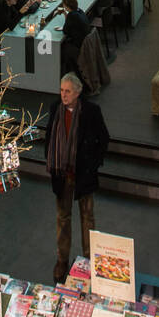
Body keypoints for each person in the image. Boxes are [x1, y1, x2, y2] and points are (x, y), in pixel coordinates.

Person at [45, 73, 110, 282]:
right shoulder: (55, 109)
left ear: (77, 92)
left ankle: (89, 259)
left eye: (67, 91)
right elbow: (49, 138)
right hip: (62, 175)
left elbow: (104, 138)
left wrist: (94, 164)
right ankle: (62, 260)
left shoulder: (91, 111)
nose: (63, 95)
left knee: (87, 217)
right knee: (63, 218)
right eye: (61, 90)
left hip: (83, 174)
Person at [59, 0, 92, 71]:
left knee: (61, 47)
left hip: (78, 44)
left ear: (66, 5)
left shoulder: (72, 16)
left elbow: (65, 31)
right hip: (85, 41)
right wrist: (64, 13)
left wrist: (66, 15)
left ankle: (65, 70)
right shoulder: (79, 10)